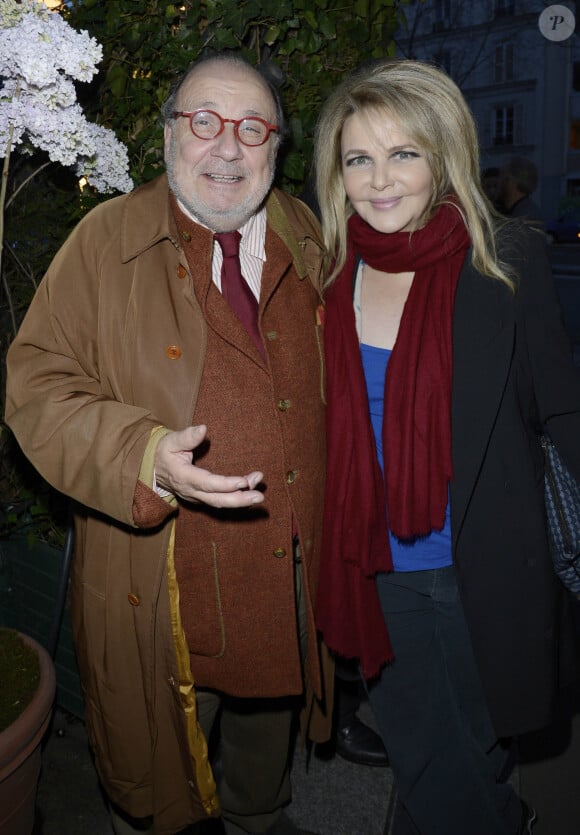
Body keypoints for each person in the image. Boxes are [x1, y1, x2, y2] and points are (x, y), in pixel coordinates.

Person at [5, 52, 332, 835]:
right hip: (166, 588)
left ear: (276, 148)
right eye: (205, 122)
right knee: (161, 768)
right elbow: (35, 385)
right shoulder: (104, 241)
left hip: (287, 576)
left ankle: (262, 811)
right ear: (167, 136)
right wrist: (140, 452)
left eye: (253, 128)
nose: (228, 146)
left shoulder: (306, 231)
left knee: (268, 737)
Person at [313, 58, 580, 835]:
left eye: (404, 153)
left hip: (488, 563)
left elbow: (561, 406)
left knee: (482, 740)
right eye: (359, 157)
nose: (379, 179)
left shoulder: (508, 260)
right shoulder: (328, 271)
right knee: (430, 755)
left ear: (444, 154)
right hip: (374, 570)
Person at [498, 156, 544, 230]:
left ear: (510, 182)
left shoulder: (526, 218)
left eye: (501, 176)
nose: (498, 182)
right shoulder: (524, 211)